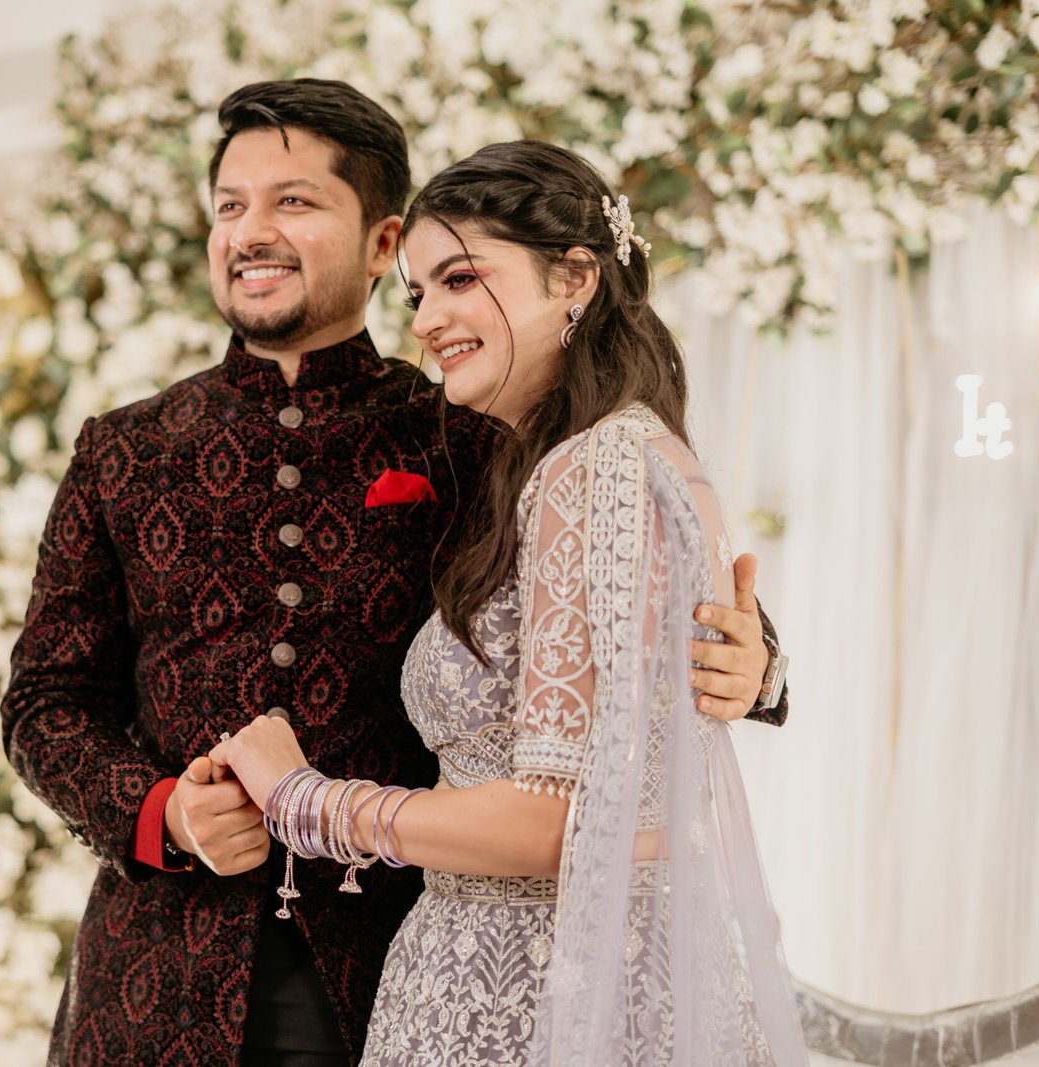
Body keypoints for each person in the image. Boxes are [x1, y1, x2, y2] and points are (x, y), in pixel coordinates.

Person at [1, 80, 791, 1066]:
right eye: (229, 205)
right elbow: (42, 700)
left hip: (392, 966)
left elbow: (621, 601)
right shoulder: (123, 450)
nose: (251, 231)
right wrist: (164, 810)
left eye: (292, 201)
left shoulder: (475, 431)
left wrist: (756, 663)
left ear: (382, 244)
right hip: (157, 976)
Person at [209, 140, 809, 1065]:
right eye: (420, 294)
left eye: (458, 279)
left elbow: (561, 815)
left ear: (574, 275)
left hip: (521, 984)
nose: (430, 319)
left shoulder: (560, 456)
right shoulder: (609, 445)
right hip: (536, 970)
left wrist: (306, 801)